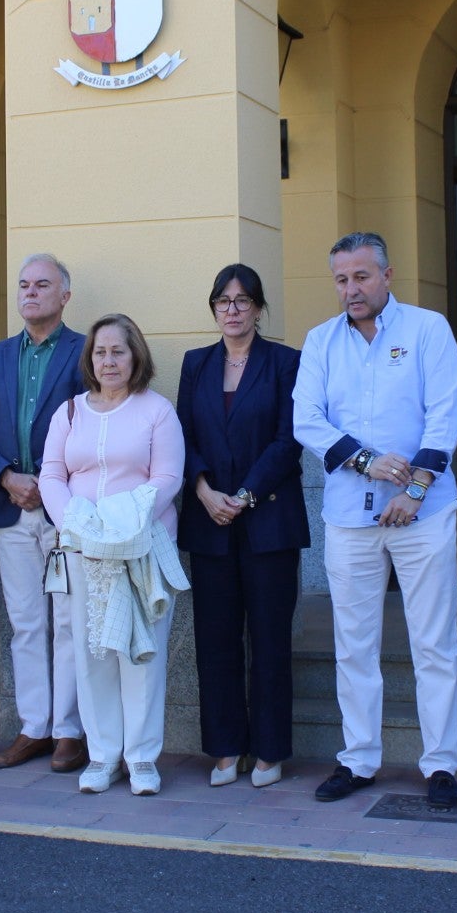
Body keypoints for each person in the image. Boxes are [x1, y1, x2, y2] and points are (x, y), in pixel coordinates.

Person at [293, 232, 457, 808]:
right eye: (341, 279)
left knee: (434, 643)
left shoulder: (427, 329)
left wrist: (415, 489)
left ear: (387, 276)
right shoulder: (320, 341)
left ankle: (440, 764)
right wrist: (366, 461)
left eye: (362, 277)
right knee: (354, 645)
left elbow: (444, 416)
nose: (351, 289)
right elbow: (307, 421)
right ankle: (359, 759)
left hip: (425, 513)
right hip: (349, 517)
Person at [40, 313, 186, 795]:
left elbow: (167, 478)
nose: (108, 361)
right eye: (100, 352)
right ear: (90, 359)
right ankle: (103, 756)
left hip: (141, 549)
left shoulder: (157, 411)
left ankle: (142, 758)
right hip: (85, 553)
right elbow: (51, 476)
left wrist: (124, 523)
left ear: (135, 355)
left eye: (117, 351)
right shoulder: (70, 413)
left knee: (142, 652)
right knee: (93, 651)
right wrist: (77, 525)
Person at [176, 264, 306, 788]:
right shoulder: (195, 364)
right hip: (209, 520)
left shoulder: (285, 362)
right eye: (223, 301)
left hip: (268, 520)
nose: (232, 309)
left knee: (270, 640)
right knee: (216, 638)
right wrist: (204, 491)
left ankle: (270, 751)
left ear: (258, 307)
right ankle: (227, 748)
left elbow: (288, 439)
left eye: (242, 300)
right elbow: (181, 433)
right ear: (213, 308)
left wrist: (246, 496)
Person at [0, 254, 88, 773]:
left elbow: (93, 424)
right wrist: (4, 476)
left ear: (64, 296)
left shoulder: (86, 352)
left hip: (63, 509)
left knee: (67, 620)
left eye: (43, 285)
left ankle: (68, 730)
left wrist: (49, 481)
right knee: (24, 622)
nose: (31, 293)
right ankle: (33, 727)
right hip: (10, 505)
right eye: (23, 285)